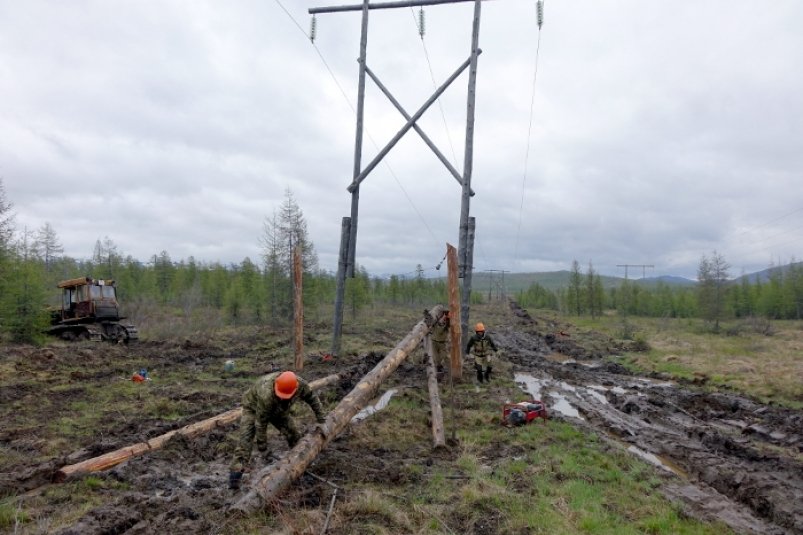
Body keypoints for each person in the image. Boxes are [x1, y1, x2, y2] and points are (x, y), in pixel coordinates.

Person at [228, 370, 326, 490]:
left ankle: (301, 463)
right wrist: (262, 446)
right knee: (245, 441)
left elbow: (312, 398)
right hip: (253, 408)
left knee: (293, 434)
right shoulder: (266, 393)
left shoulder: (300, 385)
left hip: (279, 409)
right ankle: (234, 478)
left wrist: (322, 420)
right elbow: (261, 422)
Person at [430, 311, 450, 378]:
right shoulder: (436, 321)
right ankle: (439, 369)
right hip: (434, 341)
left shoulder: (447, 324)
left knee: (445, 356)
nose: (444, 319)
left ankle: (450, 369)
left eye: (446, 318)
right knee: (436, 357)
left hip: (442, 343)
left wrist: (441, 322)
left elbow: (439, 331)